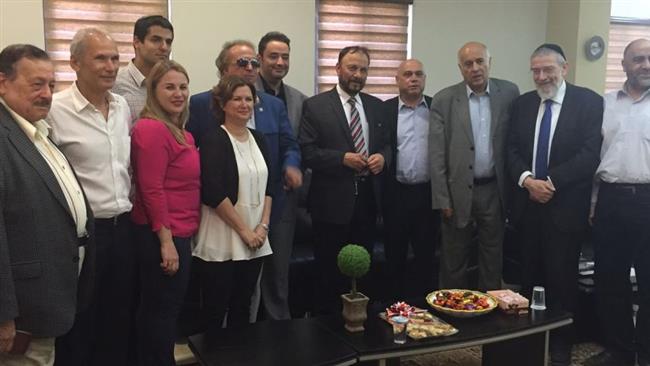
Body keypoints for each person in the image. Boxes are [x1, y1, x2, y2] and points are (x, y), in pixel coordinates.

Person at [506, 43, 603, 366]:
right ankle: (529, 339)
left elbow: (590, 154)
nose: (541, 76)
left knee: (561, 279)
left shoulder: (588, 102)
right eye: (535, 70)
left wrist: (551, 182)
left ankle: (561, 342)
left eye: (548, 69)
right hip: (528, 205)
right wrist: (527, 180)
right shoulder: (522, 104)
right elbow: (511, 149)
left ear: (565, 68)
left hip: (565, 207)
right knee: (529, 275)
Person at [0, 44, 94, 366]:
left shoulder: (38, 131)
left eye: (52, 85)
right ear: (3, 83)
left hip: (54, 296)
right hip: (22, 314)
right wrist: (3, 314)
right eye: (36, 84)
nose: (46, 94)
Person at [46, 28, 133, 366]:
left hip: (124, 227)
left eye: (114, 58)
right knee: (82, 321)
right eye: (101, 58)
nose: (111, 66)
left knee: (118, 317)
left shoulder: (123, 105)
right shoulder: (55, 109)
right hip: (83, 235)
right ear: (75, 63)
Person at [299, 45, 390, 315]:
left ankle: (362, 325)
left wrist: (383, 158)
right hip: (330, 205)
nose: (358, 74)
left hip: (368, 203)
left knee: (363, 268)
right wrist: (342, 159)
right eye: (352, 68)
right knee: (329, 272)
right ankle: (327, 331)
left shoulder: (376, 107)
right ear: (338, 68)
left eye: (363, 69)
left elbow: (387, 146)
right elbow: (308, 152)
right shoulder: (315, 106)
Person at [430, 41, 519, 292]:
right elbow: (436, 154)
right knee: (453, 258)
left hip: (494, 190)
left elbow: (516, 142)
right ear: (460, 69)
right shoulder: (444, 99)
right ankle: (451, 312)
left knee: (492, 257)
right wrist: (442, 199)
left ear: (490, 63)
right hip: (456, 192)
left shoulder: (510, 93)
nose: (475, 68)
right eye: (468, 64)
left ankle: (490, 318)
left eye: (480, 61)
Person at [130, 60, 200, 366]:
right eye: (169, 87)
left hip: (181, 232)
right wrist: (166, 241)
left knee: (167, 310)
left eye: (182, 87)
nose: (178, 93)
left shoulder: (183, 133)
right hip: (161, 235)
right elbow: (151, 189)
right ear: (153, 90)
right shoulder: (150, 129)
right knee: (160, 312)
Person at [585, 38, 650, 366]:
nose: (646, 65)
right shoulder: (605, 104)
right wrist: (594, 204)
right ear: (624, 64)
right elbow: (596, 157)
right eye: (638, 59)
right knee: (610, 280)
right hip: (610, 200)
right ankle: (620, 351)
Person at [192, 75, 273, 329]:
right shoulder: (213, 138)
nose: (244, 104)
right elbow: (213, 192)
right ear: (223, 104)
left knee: (243, 305)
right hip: (223, 238)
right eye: (236, 99)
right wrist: (245, 232)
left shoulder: (259, 138)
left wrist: (262, 228)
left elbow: (270, 186)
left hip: (256, 238)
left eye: (248, 99)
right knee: (216, 309)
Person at [252, 31, 308, 321]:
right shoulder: (242, 93)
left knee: (278, 273)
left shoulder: (299, 99)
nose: (279, 62)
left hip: (284, 198)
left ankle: (278, 333)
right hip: (246, 200)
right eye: (273, 56)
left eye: (285, 56)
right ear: (259, 58)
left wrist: (293, 164)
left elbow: (294, 144)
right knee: (246, 274)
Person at [382, 59, 439, 300]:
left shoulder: (438, 108)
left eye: (418, 74)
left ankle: (426, 312)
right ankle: (394, 309)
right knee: (394, 256)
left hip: (428, 194)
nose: (413, 78)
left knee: (427, 257)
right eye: (407, 74)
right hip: (395, 194)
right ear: (397, 80)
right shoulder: (383, 110)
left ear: (425, 79)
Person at [113, 15, 174, 123]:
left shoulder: (172, 85)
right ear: (137, 42)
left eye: (168, 42)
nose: (164, 47)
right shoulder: (114, 84)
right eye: (156, 40)